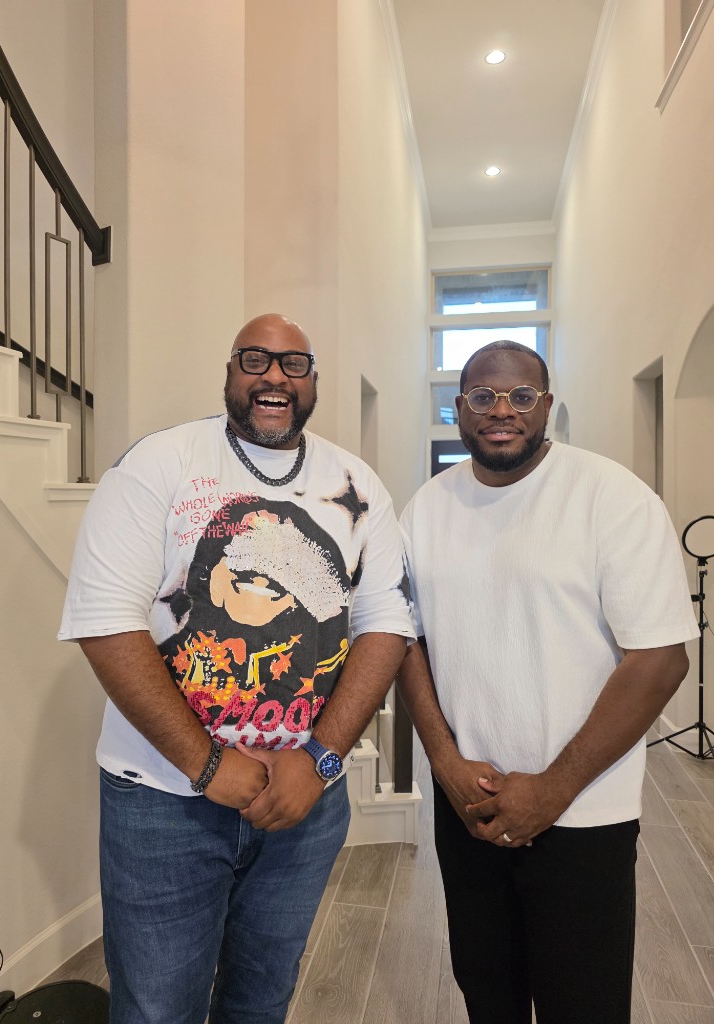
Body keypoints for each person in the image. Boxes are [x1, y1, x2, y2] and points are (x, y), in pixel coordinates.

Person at [59, 313, 413, 1024]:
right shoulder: (161, 464)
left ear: (313, 382)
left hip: (303, 805)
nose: (274, 376)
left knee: (263, 997)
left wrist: (318, 761)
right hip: (162, 801)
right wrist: (206, 762)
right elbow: (106, 621)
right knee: (158, 1009)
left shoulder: (358, 483)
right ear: (230, 371)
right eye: (256, 359)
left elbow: (388, 626)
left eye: (294, 364)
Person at [397, 340, 698, 1024]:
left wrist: (552, 790)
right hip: (467, 804)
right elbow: (405, 640)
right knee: (487, 994)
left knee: (582, 1003)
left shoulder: (611, 496)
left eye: (521, 396)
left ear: (548, 406)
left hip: (583, 813)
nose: (502, 411)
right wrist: (445, 763)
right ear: (458, 409)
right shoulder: (425, 509)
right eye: (483, 396)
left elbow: (660, 658)